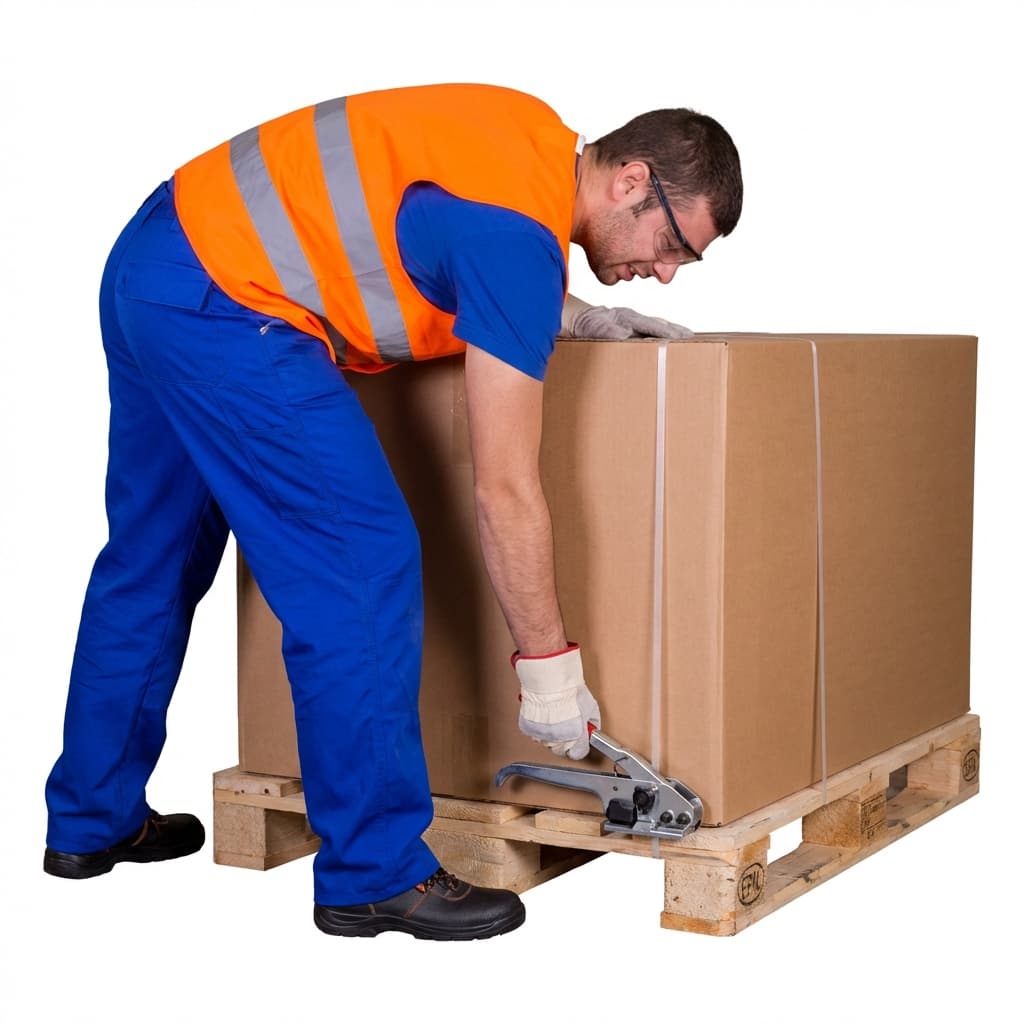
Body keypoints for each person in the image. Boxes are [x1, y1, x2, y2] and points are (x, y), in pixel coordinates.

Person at [43, 83, 742, 940]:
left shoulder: (525, 137)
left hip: (156, 261)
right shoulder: (514, 238)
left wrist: (575, 316)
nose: (667, 270)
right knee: (360, 567)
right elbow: (505, 489)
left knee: (153, 556)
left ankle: (91, 816)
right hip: (231, 307)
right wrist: (548, 672)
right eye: (674, 244)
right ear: (633, 180)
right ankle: (374, 872)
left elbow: (427, 237)